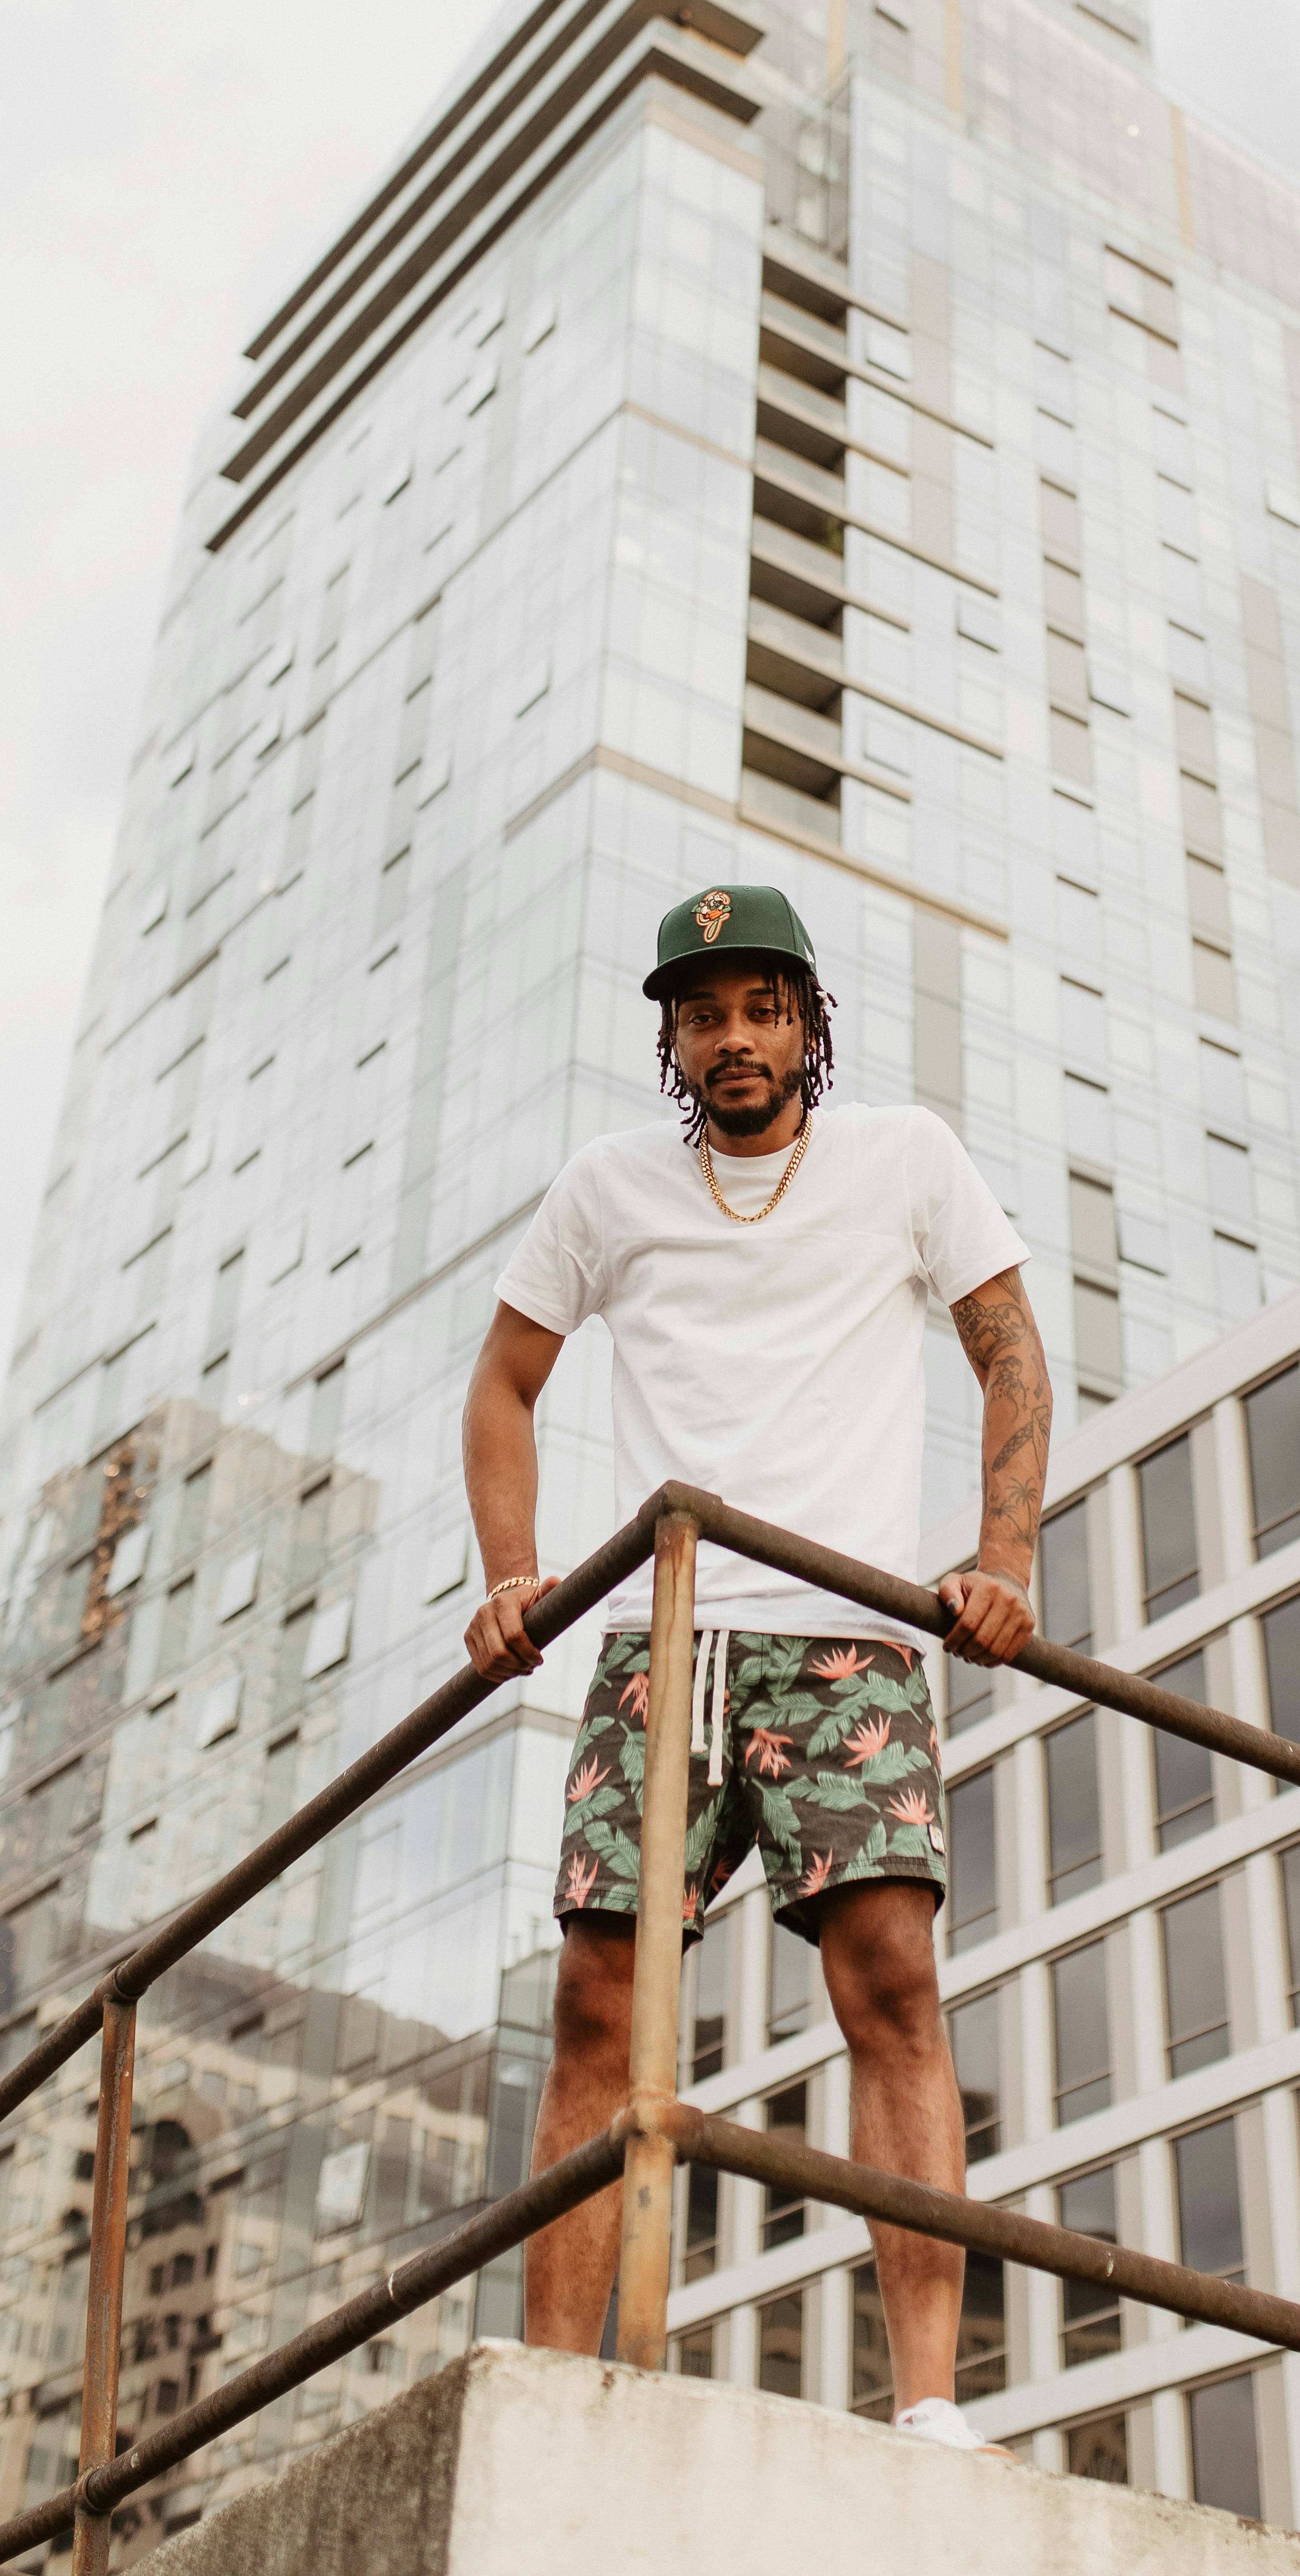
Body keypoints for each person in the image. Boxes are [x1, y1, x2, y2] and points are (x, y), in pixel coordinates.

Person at [460, 882, 1050, 2450]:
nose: (734, 1039)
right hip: (664, 1642)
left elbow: (1011, 1349)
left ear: (808, 1023)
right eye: (702, 1013)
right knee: (599, 2005)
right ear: (672, 1037)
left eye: (761, 1008)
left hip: (842, 1642)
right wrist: (511, 1578)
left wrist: (1006, 1562)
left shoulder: (904, 1160)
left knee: (895, 1991)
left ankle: (929, 2403)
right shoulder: (606, 1190)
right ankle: (548, 2390)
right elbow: (506, 1382)